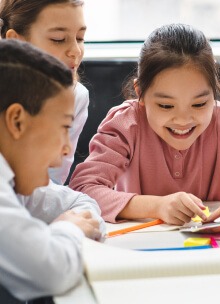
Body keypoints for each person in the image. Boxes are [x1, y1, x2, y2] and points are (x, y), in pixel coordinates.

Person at [69, 23, 220, 230]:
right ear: (140, 93)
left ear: (214, 91)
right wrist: (157, 206)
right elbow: (83, 189)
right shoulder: (127, 125)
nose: (183, 120)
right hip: (137, 247)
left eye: (199, 104)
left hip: (209, 249)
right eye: (166, 105)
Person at [0, 39, 104, 301]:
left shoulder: (14, 182)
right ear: (17, 121)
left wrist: (71, 224)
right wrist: (69, 229)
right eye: (63, 128)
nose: (66, 150)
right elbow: (52, 271)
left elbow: (81, 203)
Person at [0, 0, 88, 185]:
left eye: (80, 38)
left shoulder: (75, 96)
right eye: (58, 39)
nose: (75, 51)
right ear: (16, 41)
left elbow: (51, 182)